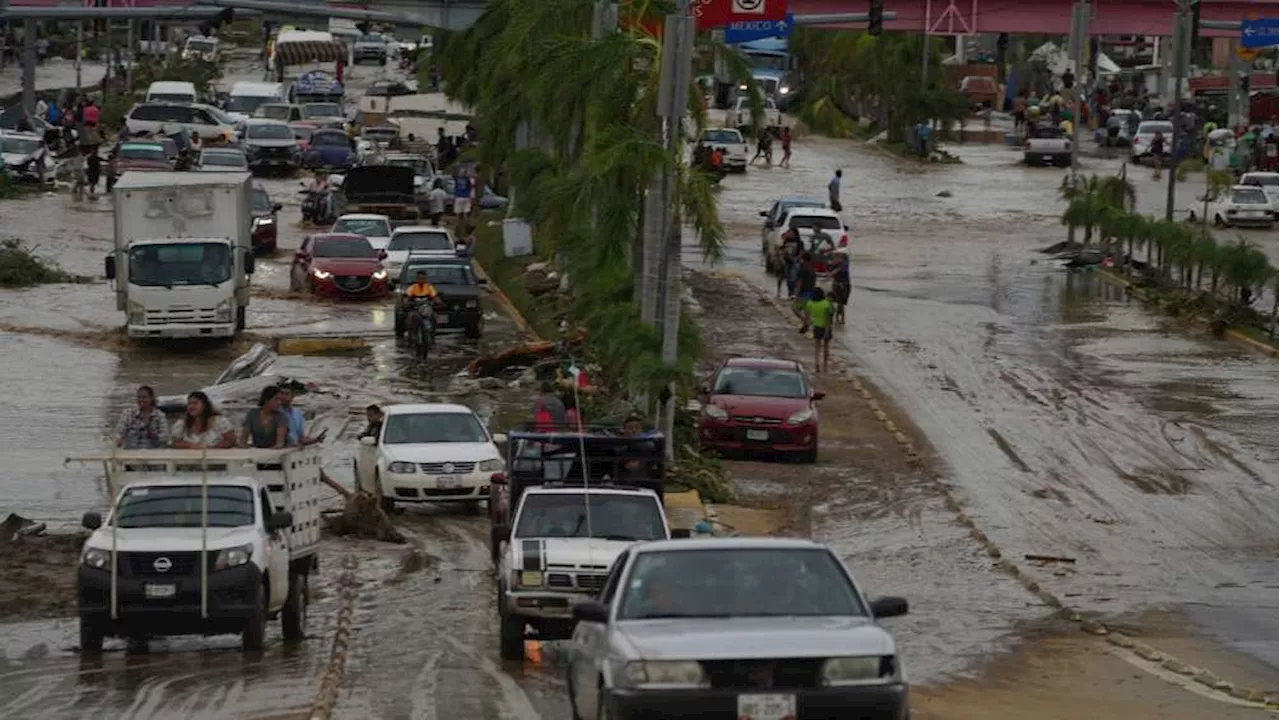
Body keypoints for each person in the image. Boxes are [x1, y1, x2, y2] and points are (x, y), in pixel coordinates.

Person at [170, 391, 236, 449]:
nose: (191, 406)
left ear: (205, 405)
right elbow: (174, 443)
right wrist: (189, 445)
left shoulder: (221, 422)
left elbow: (230, 441)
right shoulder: (181, 424)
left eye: (195, 403)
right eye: (189, 404)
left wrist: (211, 448)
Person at [800, 286, 835, 372]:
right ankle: (825, 366)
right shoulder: (826, 303)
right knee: (826, 348)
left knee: (817, 347)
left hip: (817, 327)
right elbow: (828, 318)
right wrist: (827, 330)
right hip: (826, 327)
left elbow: (807, 318)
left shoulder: (810, 304)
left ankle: (817, 363)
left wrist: (805, 327)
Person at [277, 382, 317, 447]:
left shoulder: (297, 413)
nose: (283, 397)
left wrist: (313, 440)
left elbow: (301, 436)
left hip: (295, 448)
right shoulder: (275, 412)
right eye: (281, 394)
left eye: (287, 394)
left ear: (292, 396)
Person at [831, 251, 851, 325]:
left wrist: (828, 276)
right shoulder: (838, 264)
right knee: (839, 303)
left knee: (841, 303)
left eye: (838, 257)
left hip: (843, 285)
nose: (835, 258)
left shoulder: (844, 265)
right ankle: (838, 319)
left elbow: (835, 272)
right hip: (838, 284)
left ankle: (841, 319)